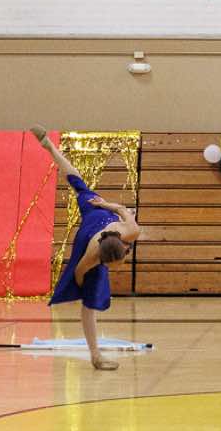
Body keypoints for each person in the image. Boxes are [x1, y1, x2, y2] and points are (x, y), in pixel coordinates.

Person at [32, 125, 141, 371]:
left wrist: (105, 204)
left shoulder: (131, 230)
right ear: (102, 260)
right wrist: (83, 287)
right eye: (113, 266)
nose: (118, 267)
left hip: (99, 211)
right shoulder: (92, 256)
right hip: (87, 235)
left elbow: (122, 210)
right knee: (89, 305)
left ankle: (50, 147)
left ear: (125, 246)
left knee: (77, 181)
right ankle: (95, 356)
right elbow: (79, 272)